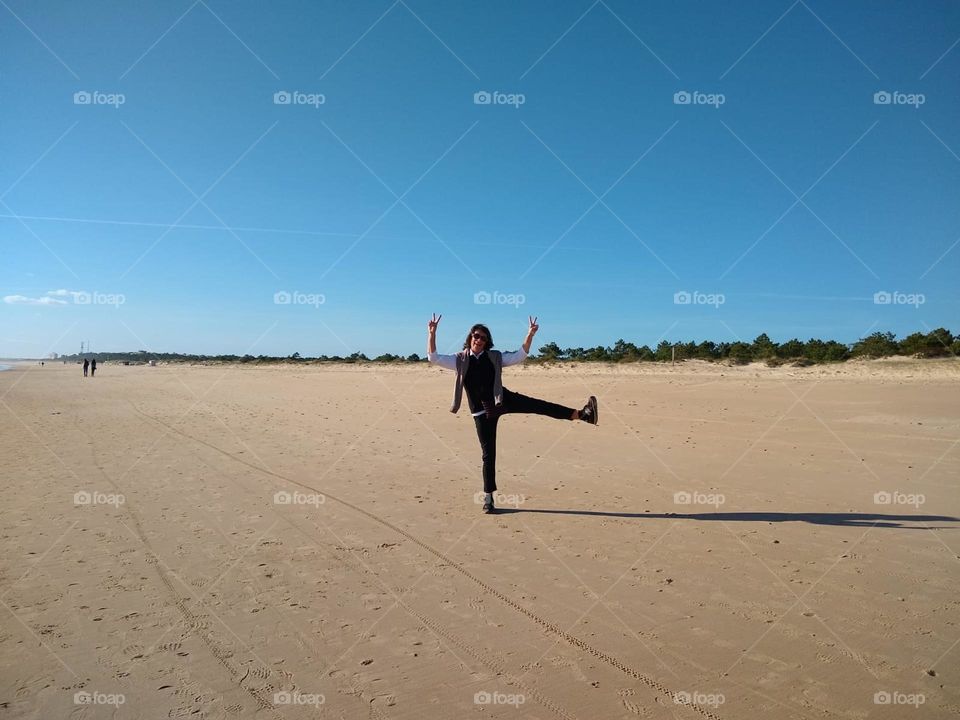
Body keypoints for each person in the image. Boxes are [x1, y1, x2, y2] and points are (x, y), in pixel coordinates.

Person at [427, 314, 597, 514]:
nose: (478, 340)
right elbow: (434, 358)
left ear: (487, 341)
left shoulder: (494, 357)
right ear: (470, 337)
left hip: (502, 400)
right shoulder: (460, 359)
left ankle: (582, 414)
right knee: (488, 455)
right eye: (476, 336)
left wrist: (530, 334)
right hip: (482, 412)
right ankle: (488, 499)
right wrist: (432, 334)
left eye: (482, 337)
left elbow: (519, 356)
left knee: (538, 405)